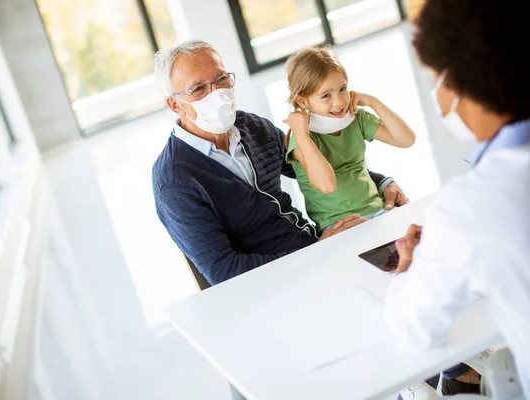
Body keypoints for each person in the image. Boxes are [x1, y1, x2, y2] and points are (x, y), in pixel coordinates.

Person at [151, 40, 409, 286]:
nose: (217, 93)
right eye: (199, 89)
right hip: (277, 283)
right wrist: (316, 253)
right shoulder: (175, 180)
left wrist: (381, 183)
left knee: (412, 265)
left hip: (319, 248)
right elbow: (224, 271)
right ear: (176, 105)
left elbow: (311, 167)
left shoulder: (251, 126)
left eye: (221, 79)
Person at [385, 0, 530, 398]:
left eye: (434, 77)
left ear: (456, 82)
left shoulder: (472, 204)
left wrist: (408, 266)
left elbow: (415, 327)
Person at [284, 47, 416, 234]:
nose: (339, 102)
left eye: (343, 89)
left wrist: (372, 101)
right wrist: (301, 134)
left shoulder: (356, 118)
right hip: (339, 227)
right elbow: (327, 185)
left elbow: (406, 140)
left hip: (379, 212)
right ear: (303, 101)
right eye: (326, 95)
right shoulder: (300, 139)